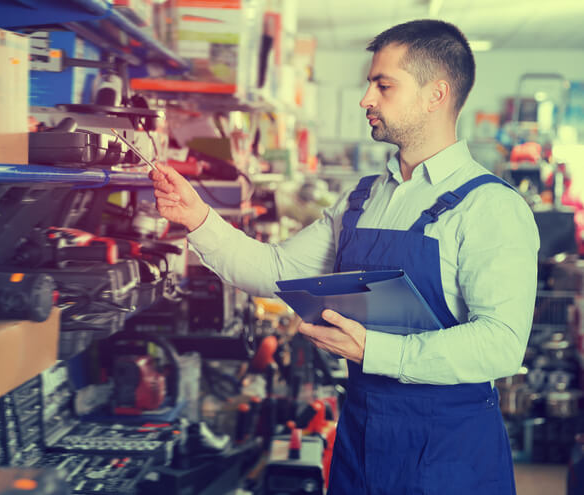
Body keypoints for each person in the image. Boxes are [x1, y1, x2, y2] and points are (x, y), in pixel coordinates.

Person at [150, 19, 539, 495]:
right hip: (362, 437)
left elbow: (501, 343)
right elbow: (277, 270)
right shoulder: (362, 199)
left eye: (384, 85)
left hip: (448, 453)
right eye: (369, 83)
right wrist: (199, 219)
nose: (366, 99)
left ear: (436, 94)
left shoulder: (492, 207)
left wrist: (374, 350)